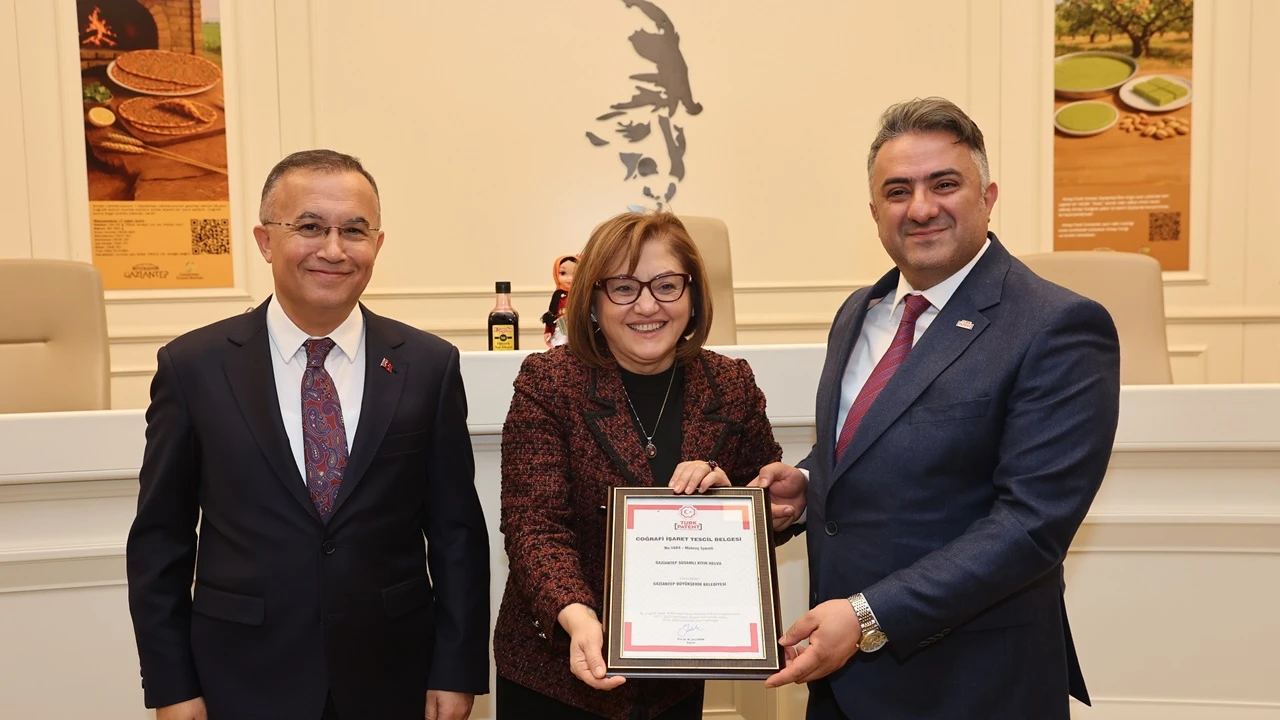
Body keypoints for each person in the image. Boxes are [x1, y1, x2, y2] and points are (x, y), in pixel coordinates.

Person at [752, 97, 1121, 719]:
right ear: (875, 213)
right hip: (842, 685)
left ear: (988, 196)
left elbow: (1032, 523)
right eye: (898, 191)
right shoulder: (859, 312)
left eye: (944, 184)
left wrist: (867, 616)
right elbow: (867, 445)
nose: (921, 208)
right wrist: (809, 484)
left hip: (974, 684)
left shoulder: (1058, 325)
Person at [125, 150, 490, 720]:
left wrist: (456, 668)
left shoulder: (428, 365)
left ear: (378, 244)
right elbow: (160, 540)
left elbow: (457, 534)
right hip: (240, 677)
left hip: (392, 676)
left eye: (354, 231)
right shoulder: (193, 366)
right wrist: (171, 685)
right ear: (265, 240)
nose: (334, 250)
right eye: (310, 227)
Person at [494, 212, 782, 720]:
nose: (647, 306)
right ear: (592, 301)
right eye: (624, 287)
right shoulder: (549, 382)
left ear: (693, 296)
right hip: (556, 674)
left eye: (666, 285)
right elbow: (534, 525)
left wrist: (732, 499)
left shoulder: (731, 384)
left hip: (674, 678)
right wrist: (577, 616)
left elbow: (770, 502)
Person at [541, 254, 578, 346]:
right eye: (563, 273)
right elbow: (551, 314)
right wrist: (548, 330)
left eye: (575, 273)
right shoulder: (557, 296)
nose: (569, 278)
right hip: (560, 332)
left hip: (578, 332)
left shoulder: (582, 295)